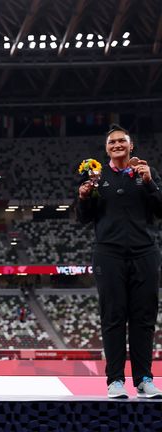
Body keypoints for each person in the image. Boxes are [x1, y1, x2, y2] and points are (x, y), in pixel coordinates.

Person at [77, 124, 162, 399]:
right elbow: (83, 219)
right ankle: (115, 381)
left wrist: (150, 183)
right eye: (112, 142)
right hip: (108, 254)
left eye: (121, 141)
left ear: (131, 145)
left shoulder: (145, 174)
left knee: (144, 319)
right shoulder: (98, 179)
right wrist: (83, 198)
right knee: (113, 318)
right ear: (106, 149)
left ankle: (144, 380)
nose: (116, 145)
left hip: (144, 253)